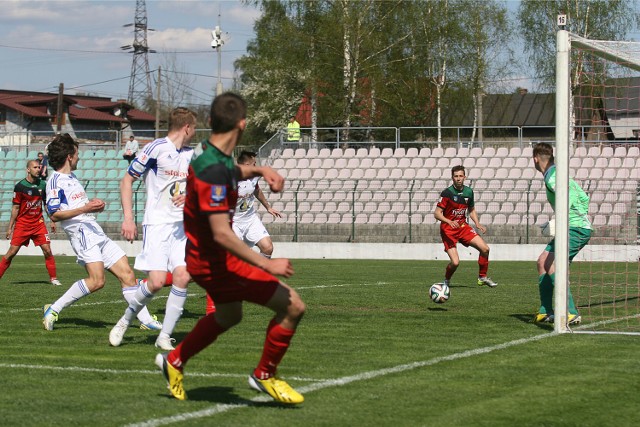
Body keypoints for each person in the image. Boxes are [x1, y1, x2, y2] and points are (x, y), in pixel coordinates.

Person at [155, 92, 305, 404]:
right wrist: (267, 264)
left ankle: (175, 361)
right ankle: (265, 374)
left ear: (210, 122)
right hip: (216, 261)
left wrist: (260, 171)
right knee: (292, 306)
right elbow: (222, 233)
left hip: (203, 258)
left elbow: (231, 171)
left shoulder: (209, 154)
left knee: (229, 315)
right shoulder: (212, 169)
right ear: (243, 123)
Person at [41, 133, 159, 331]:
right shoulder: (55, 181)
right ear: (69, 156)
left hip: (94, 231)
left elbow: (78, 207)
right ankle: (53, 309)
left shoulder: (72, 177)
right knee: (97, 281)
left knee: (128, 275)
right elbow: (54, 214)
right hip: (82, 235)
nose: (79, 157)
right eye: (77, 153)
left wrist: (93, 206)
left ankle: (146, 320)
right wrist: (86, 209)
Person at [109, 107, 197, 351]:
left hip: (181, 227)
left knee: (183, 276)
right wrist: (128, 218)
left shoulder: (191, 155)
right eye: (194, 128)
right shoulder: (156, 148)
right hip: (157, 224)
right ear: (187, 127)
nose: (194, 133)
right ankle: (125, 320)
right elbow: (127, 180)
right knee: (156, 282)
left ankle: (164, 336)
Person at [204, 149, 282, 315]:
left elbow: (256, 189)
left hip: (250, 218)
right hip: (234, 222)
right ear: (246, 164)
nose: (256, 164)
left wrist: (268, 207)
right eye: (254, 162)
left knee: (267, 247)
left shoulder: (253, 175)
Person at [532, 142, 591, 325]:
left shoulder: (553, 177)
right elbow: (583, 197)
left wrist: (562, 219)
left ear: (535, 159)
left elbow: (569, 196)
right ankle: (546, 311)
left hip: (575, 229)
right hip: (574, 226)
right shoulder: (558, 174)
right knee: (543, 261)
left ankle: (571, 311)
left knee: (552, 264)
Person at [434, 165, 497, 288]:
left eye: (461, 176)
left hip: (463, 227)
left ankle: (482, 277)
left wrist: (477, 223)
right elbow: (437, 213)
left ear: (465, 177)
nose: (458, 178)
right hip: (448, 230)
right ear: (452, 178)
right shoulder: (447, 193)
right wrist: (448, 221)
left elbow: (471, 209)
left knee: (485, 249)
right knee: (455, 262)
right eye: (456, 176)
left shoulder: (469, 192)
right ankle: (446, 280)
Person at [0, 159, 61, 286]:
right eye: (35, 167)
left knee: (47, 250)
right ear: (28, 170)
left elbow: (46, 204)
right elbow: (15, 208)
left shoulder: (43, 185)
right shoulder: (20, 187)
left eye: (39, 167)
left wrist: (52, 220)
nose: (38, 169)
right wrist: (10, 227)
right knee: (11, 252)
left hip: (38, 224)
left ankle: (53, 278)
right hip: (22, 224)